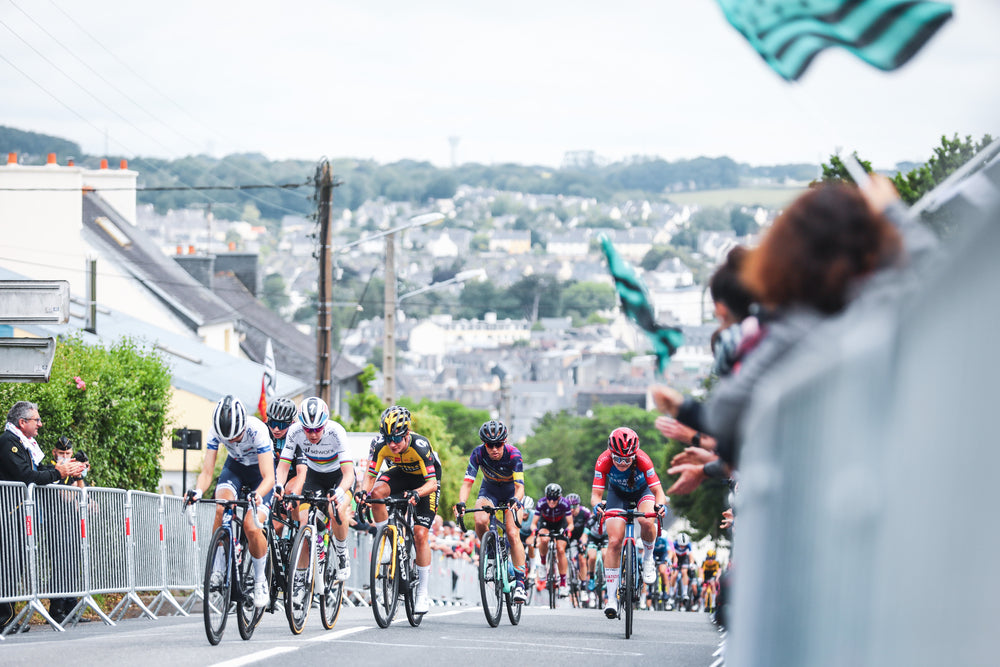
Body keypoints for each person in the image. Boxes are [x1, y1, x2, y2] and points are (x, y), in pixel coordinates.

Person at [651, 180, 906, 481]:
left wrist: (686, 409)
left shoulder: (792, 328)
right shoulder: (898, 304)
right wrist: (893, 215)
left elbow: (725, 415)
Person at [1, 401, 87, 632]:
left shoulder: (25, 443)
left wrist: (67, 470)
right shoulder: (8, 442)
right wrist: (59, 472)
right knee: (7, 565)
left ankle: (8, 617)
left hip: (19, 512)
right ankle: (3, 618)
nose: (40, 424)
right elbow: (26, 475)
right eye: (35, 420)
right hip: (9, 511)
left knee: (15, 565)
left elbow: (38, 472)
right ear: (22, 422)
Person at [184, 395, 274, 609]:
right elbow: (207, 472)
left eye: (236, 437)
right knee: (221, 507)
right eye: (228, 439)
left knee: (251, 526)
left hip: (260, 475)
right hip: (234, 469)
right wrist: (197, 491)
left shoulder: (257, 430)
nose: (232, 442)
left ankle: (261, 581)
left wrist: (258, 493)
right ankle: (218, 567)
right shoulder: (216, 430)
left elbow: (269, 477)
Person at [356, 405, 441, 614]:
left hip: (426, 482)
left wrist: (417, 493)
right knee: (376, 494)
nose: (392, 444)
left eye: (397, 439)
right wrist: (362, 493)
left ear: (407, 433)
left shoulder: (420, 445)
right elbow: (370, 475)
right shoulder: (379, 444)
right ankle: (386, 540)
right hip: (401, 474)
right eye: (388, 439)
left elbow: (432, 484)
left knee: (420, 534)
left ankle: (422, 593)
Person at [274, 397, 355, 593]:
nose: (312, 434)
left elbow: (349, 474)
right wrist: (278, 485)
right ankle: (300, 579)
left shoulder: (336, 432)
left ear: (325, 423)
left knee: (335, 508)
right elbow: (283, 466)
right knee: (304, 522)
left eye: (317, 429)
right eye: (307, 429)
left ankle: (342, 554)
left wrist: (339, 491)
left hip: (338, 477)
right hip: (314, 476)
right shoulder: (294, 431)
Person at [590, 426, 667, 619]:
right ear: (610, 453)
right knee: (615, 541)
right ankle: (611, 599)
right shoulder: (603, 460)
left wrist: (660, 506)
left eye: (627, 459)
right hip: (617, 495)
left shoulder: (643, 459)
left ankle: (648, 558)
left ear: (634, 455)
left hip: (643, 492)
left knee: (647, 520)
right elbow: (596, 495)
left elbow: (658, 492)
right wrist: (597, 506)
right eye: (617, 458)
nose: (622, 463)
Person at [453, 419, 528, 603]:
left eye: (498, 444)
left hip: (511, 492)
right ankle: (492, 552)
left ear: (505, 442)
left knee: (512, 532)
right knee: (479, 520)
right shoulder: (478, 453)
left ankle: (520, 584)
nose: (494, 449)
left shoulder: (514, 454)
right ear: (484, 444)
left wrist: (516, 500)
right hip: (490, 490)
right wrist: (461, 502)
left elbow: (520, 487)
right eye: (490, 445)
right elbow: (467, 482)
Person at [44, 436, 89, 625]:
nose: (64, 456)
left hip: (71, 521)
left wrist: (78, 476)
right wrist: (70, 476)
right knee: (60, 563)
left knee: (72, 563)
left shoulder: (72, 472)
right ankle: (56, 609)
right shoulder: (50, 470)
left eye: (67, 454)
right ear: (54, 453)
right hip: (55, 521)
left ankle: (72, 606)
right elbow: (65, 496)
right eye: (61, 453)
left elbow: (81, 498)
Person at [530, 482, 574, 597]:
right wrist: (535, 530)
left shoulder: (565, 503)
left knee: (560, 549)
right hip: (546, 524)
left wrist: (568, 530)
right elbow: (533, 524)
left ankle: (564, 584)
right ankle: (543, 564)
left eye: (554, 499)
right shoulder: (541, 503)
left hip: (560, 524)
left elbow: (571, 524)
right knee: (544, 539)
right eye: (549, 499)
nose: (551, 502)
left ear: (559, 497)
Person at [565, 493, 592, 598]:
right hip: (570, 535)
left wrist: (583, 540)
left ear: (578, 505)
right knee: (563, 553)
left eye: (574, 507)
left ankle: (583, 585)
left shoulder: (585, 513)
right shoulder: (565, 513)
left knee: (582, 558)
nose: (571, 509)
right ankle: (567, 580)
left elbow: (589, 526)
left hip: (582, 535)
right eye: (569, 507)